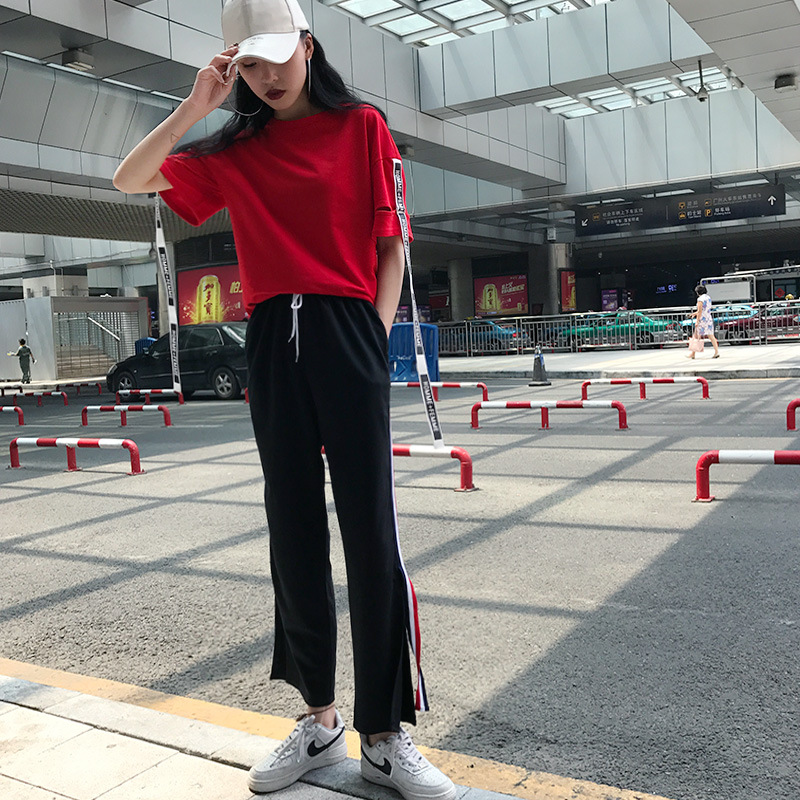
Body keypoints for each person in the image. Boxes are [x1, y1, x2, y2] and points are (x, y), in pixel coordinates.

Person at [112, 1, 456, 799]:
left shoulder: (362, 127)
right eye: (250, 65)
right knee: (292, 528)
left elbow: (391, 246)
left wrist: (371, 337)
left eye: (278, 58)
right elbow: (129, 178)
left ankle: (384, 734)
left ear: (308, 45)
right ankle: (319, 718)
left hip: (347, 327)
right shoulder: (234, 148)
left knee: (370, 530)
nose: (266, 77)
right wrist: (195, 107)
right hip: (271, 336)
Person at [686, 284, 720, 359]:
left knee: (696, 336)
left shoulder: (700, 299)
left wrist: (697, 321)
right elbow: (704, 310)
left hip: (702, 320)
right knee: (711, 336)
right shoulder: (708, 298)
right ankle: (716, 352)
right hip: (708, 318)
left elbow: (700, 311)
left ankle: (693, 353)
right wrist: (694, 314)